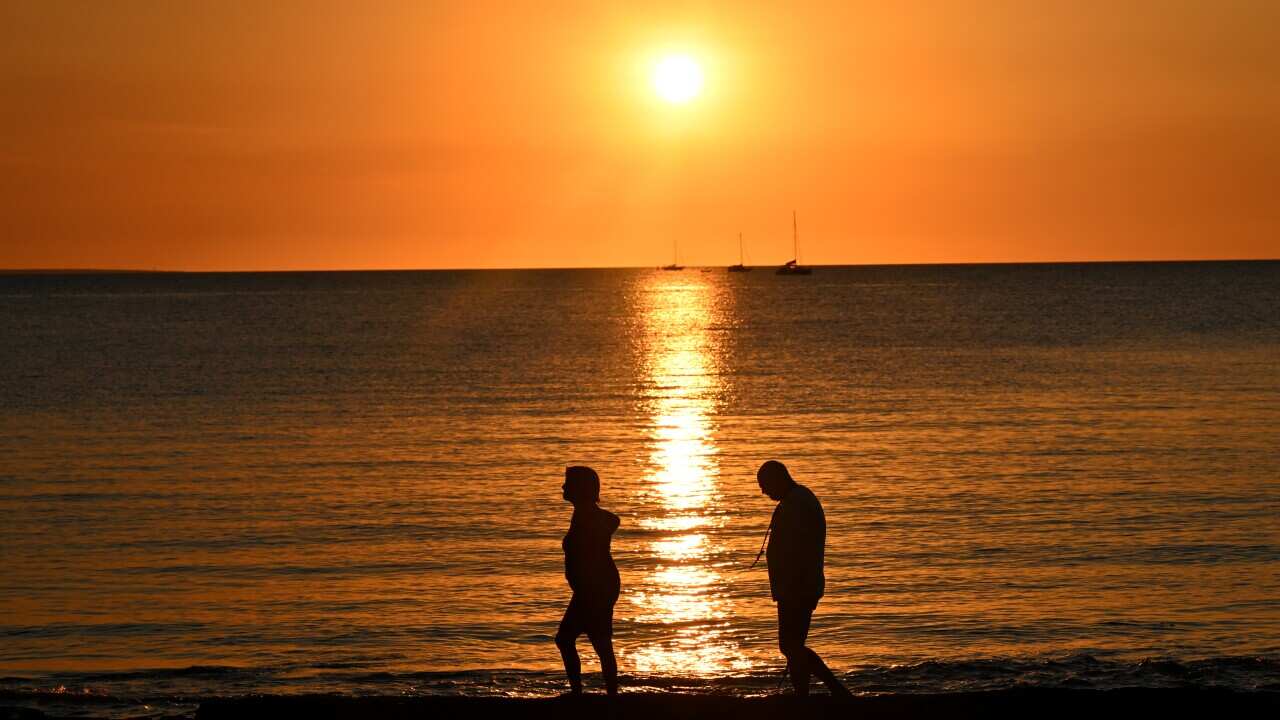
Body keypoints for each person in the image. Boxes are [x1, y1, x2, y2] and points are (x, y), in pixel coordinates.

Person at [756, 459, 851, 698]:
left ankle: (834, 690)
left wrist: (791, 587)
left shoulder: (798, 503)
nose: (763, 491)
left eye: (765, 485)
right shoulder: (796, 499)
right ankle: (806, 696)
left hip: (797, 587)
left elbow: (798, 550)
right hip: (796, 586)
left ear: (779, 479)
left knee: (790, 646)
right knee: (792, 646)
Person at [555, 466, 621, 696]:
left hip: (594, 587)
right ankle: (607, 694)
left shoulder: (588, 516)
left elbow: (612, 520)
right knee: (598, 639)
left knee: (568, 638)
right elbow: (613, 520)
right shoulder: (583, 513)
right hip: (594, 586)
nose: (563, 487)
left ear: (580, 488)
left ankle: (581, 695)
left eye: (568, 483)